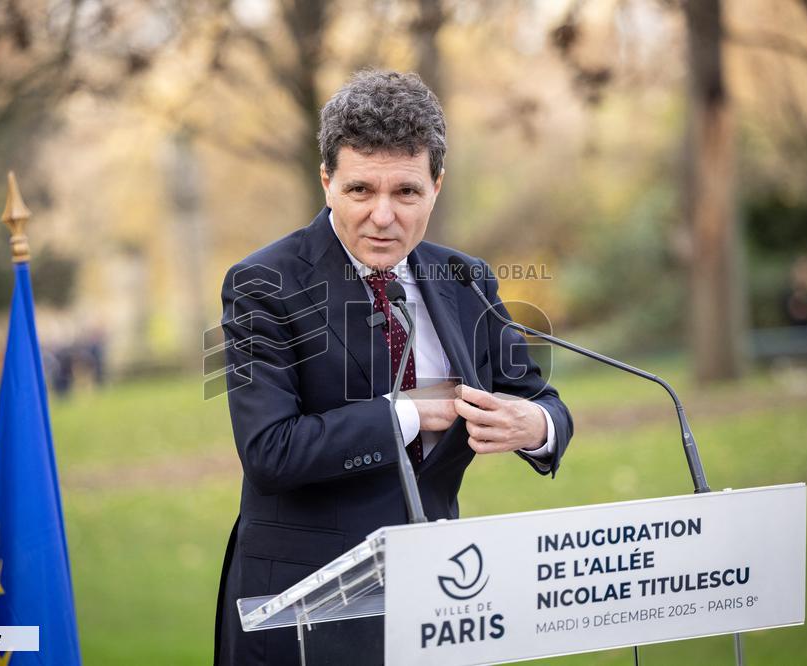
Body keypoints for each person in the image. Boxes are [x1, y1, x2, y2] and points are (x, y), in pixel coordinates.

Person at [213, 70, 573, 665]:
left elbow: (541, 401)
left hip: (440, 598)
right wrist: (406, 412)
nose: (383, 216)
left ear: (436, 187)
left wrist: (535, 426)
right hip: (299, 610)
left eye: (406, 192)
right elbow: (270, 451)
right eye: (360, 190)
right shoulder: (264, 284)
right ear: (327, 182)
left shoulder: (465, 278)